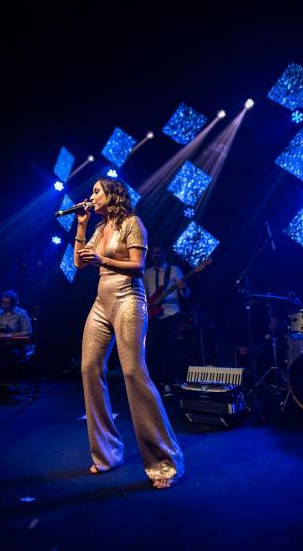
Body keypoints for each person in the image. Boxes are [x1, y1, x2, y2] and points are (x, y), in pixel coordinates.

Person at [74, 178, 184, 489]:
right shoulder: (98, 230)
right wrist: (81, 226)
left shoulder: (132, 224)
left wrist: (103, 260)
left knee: (133, 372)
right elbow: (79, 263)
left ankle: (165, 462)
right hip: (101, 302)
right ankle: (107, 454)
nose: (92, 196)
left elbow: (137, 266)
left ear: (113, 195)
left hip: (128, 299)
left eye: (97, 191)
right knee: (88, 368)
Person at [144, 246, 190, 396]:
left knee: (168, 350)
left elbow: (186, 295)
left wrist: (183, 288)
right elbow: (145, 295)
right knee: (151, 350)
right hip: (153, 316)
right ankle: (153, 383)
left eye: (158, 253)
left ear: (164, 254)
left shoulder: (174, 271)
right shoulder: (147, 273)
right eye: (153, 253)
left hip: (170, 315)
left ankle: (167, 383)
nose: (155, 256)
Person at [0, 290, 33, 385]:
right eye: (2, 302)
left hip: (16, 346)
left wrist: (9, 335)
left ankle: (7, 382)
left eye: (6, 303)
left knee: (8, 355)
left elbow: (28, 332)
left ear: (13, 304)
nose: (3, 304)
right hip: (0, 344)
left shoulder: (21, 313)